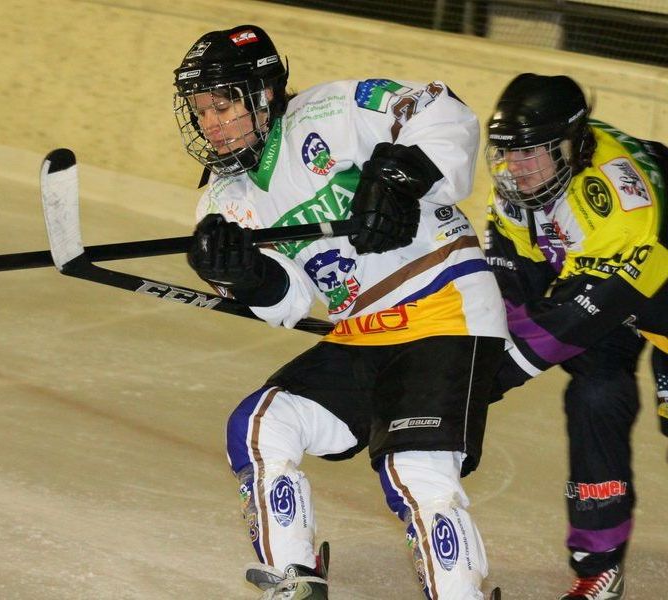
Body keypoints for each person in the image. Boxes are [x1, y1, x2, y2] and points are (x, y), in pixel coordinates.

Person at [173, 24, 509, 599]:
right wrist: (245, 274)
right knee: (261, 423)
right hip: (361, 334)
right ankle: (294, 580)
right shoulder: (224, 199)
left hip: (445, 307)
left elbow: (443, 109)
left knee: (416, 473)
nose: (210, 121)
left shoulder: (329, 111)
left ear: (264, 93)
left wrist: (400, 180)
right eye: (200, 109)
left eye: (222, 102)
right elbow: (290, 300)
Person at [483, 72, 668, 599]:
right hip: (612, 292)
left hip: (643, 289)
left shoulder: (622, 204)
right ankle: (598, 563)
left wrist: (484, 377)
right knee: (594, 395)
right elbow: (510, 286)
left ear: (568, 146)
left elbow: (574, 317)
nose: (513, 169)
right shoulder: (533, 181)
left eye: (528, 154)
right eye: (504, 154)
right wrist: (462, 348)